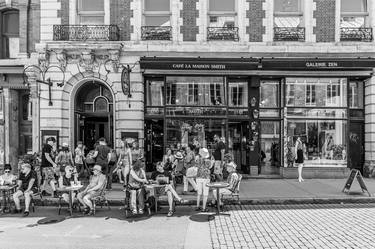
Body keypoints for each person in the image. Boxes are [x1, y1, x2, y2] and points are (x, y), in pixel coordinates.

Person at [195, 148, 213, 212]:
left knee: (199, 193)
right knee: (205, 193)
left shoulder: (198, 160)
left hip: (199, 177)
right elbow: (210, 167)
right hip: (206, 178)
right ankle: (204, 208)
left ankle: (197, 206)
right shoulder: (208, 160)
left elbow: (196, 166)